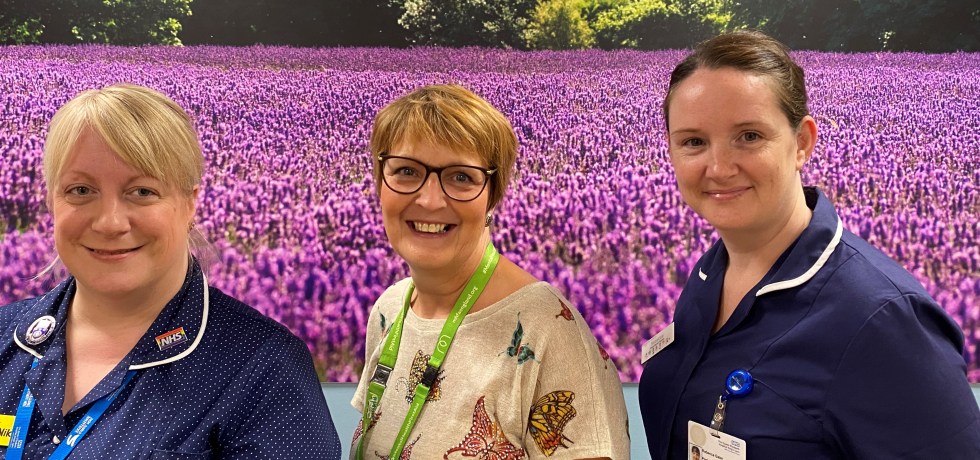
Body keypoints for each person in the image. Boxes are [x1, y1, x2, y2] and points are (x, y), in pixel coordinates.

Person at [639, 30, 980, 459]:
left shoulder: (882, 320)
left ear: (802, 142)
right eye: (694, 142)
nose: (720, 167)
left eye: (749, 136)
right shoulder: (710, 276)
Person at [0, 84, 342, 459]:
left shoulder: (264, 368)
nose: (110, 223)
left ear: (190, 202)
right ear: (50, 201)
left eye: (142, 191)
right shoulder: (5, 335)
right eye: (80, 190)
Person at [351, 84, 629, 459]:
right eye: (406, 171)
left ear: (492, 196)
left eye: (461, 177)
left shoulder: (548, 328)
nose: (430, 199)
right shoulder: (390, 309)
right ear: (379, 184)